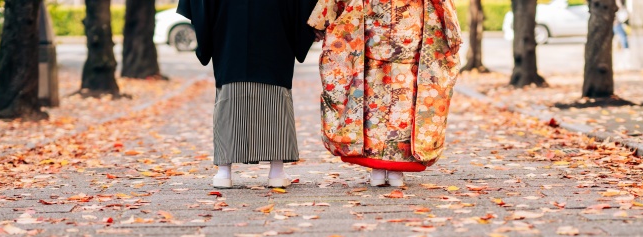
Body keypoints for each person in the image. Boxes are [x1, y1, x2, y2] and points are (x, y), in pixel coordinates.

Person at [308, 0, 462, 187]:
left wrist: (322, 20)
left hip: (391, 44)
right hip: (394, 40)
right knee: (393, 109)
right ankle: (387, 170)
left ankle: (382, 171)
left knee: (382, 111)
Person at [177, 0, 318, 188]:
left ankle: (223, 172)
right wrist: (314, 23)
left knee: (229, 98)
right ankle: (276, 171)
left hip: (229, 33)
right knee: (275, 98)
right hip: (273, 31)